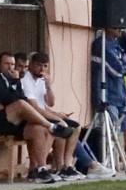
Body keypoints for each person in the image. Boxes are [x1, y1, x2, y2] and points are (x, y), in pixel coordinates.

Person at [0, 52, 75, 183]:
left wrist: (11, 94)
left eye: (12, 64)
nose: (10, 68)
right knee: (21, 105)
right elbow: (9, 99)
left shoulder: (13, 79)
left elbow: (19, 97)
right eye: (7, 64)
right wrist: (15, 85)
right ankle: (51, 126)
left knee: (37, 129)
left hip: (10, 121)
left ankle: (39, 170)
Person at [20, 51, 87, 180]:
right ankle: (41, 168)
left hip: (45, 114)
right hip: (34, 117)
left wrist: (48, 85)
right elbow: (34, 107)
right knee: (60, 128)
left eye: (45, 66)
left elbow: (50, 103)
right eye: (39, 65)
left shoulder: (41, 81)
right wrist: (57, 119)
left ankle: (66, 166)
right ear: (31, 65)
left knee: (76, 128)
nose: (42, 69)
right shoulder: (26, 81)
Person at [90, 27, 126, 166]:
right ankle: (109, 162)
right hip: (107, 95)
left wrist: (125, 67)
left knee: (125, 126)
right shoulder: (100, 44)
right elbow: (117, 69)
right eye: (116, 26)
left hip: (120, 93)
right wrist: (124, 68)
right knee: (109, 129)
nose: (120, 29)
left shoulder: (116, 44)